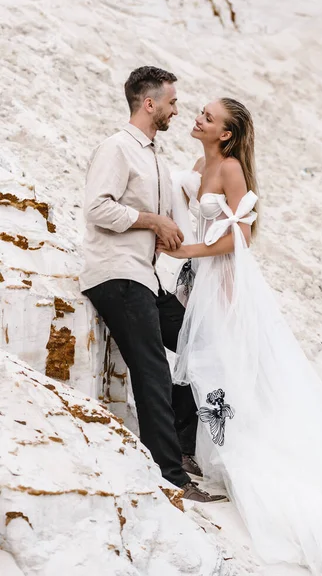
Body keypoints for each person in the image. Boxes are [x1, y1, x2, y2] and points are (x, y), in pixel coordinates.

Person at [157, 97, 322, 574]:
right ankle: (190, 439)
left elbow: (241, 237)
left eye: (208, 117)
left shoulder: (229, 169)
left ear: (225, 134)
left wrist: (190, 248)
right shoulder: (198, 161)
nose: (198, 119)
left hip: (223, 281)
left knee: (212, 359)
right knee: (196, 357)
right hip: (196, 277)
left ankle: (207, 445)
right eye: (200, 113)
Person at [79, 66, 225, 502]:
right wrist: (151, 221)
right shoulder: (117, 148)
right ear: (150, 103)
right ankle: (172, 477)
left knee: (199, 346)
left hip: (144, 277)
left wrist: (162, 233)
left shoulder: (155, 157)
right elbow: (96, 208)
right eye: (173, 102)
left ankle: (181, 449)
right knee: (153, 369)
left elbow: (151, 218)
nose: (177, 110)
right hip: (116, 275)